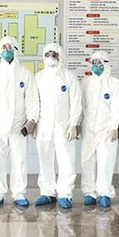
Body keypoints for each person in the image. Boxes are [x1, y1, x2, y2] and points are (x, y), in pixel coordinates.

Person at [0, 36, 39, 207]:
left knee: (19, 161)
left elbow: (32, 99)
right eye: (3, 47)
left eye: (9, 47)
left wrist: (31, 120)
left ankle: (19, 194)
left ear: (15, 49)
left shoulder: (25, 74)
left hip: (18, 126)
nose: (6, 50)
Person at [34, 43, 82, 209]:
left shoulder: (69, 77)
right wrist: (34, 123)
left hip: (64, 126)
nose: (51, 57)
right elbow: (34, 102)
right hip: (43, 126)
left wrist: (74, 124)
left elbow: (76, 101)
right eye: (48, 54)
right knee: (44, 159)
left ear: (60, 56)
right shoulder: (38, 77)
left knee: (66, 160)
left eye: (54, 54)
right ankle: (47, 192)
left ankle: (65, 194)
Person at [81, 51, 119, 208]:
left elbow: (117, 106)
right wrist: (78, 123)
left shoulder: (115, 84)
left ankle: (104, 192)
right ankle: (89, 192)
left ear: (106, 63)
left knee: (105, 160)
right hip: (88, 127)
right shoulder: (86, 82)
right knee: (87, 159)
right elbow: (82, 105)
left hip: (106, 128)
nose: (95, 65)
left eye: (99, 62)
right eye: (93, 62)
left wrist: (114, 126)